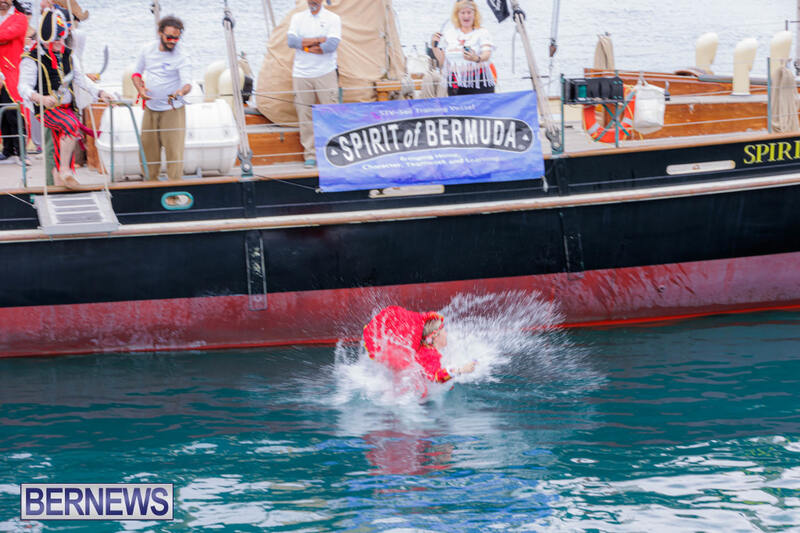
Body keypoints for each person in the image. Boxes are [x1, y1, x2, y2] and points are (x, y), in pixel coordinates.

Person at [17, 8, 111, 188]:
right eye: (57, 39)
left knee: (67, 135)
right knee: (70, 126)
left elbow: (80, 78)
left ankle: (59, 177)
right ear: (47, 40)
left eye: (61, 38)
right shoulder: (32, 59)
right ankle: (64, 171)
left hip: (68, 108)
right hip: (46, 110)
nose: (61, 43)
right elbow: (23, 87)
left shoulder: (68, 55)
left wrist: (100, 92)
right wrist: (41, 98)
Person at [131, 15, 191, 181]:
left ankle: (174, 187)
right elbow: (136, 74)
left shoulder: (182, 54)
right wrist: (140, 89)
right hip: (151, 108)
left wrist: (180, 92)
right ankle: (150, 184)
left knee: (174, 151)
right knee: (147, 149)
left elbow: (187, 83)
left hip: (172, 109)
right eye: (169, 37)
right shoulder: (147, 49)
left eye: (176, 38)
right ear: (160, 33)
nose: (173, 41)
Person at [363, 306, 475, 387]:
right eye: (444, 331)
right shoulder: (429, 353)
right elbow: (436, 377)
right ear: (435, 335)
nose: (446, 334)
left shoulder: (425, 350)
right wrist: (462, 370)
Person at [287, 0, 341, 169]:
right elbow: (292, 42)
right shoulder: (297, 18)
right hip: (301, 74)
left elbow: (330, 46)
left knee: (330, 113)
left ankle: (333, 152)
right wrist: (317, 41)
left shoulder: (333, 18)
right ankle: (310, 154)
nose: (313, 1)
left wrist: (304, 44)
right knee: (305, 116)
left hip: (326, 72)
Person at [431, 0, 495, 96]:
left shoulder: (482, 32)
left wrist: (476, 58)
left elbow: (487, 54)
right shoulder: (449, 34)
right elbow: (442, 61)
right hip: (455, 83)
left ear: (475, 14)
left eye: (469, 12)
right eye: (463, 13)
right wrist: (434, 47)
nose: (466, 16)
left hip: (478, 83)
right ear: (457, 15)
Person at [0, 0, 28, 164]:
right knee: (2, 113)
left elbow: (7, 34)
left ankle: (21, 151)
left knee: (13, 112)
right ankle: (7, 150)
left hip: (11, 71)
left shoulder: (20, 18)